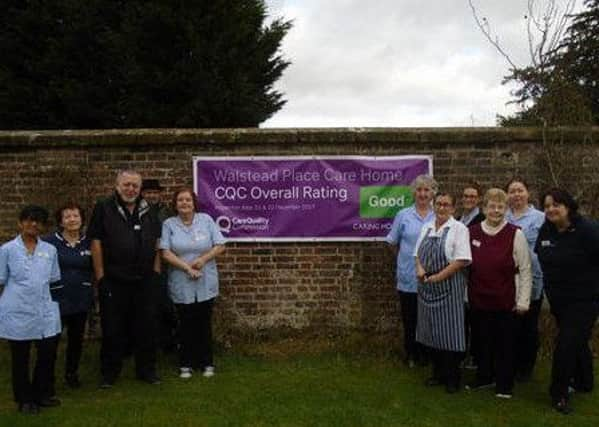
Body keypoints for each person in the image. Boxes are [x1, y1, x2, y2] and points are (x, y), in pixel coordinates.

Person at [87, 170, 162, 387]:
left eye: (135, 186)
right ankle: (109, 374)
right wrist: (100, 277)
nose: (131, 189)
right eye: (127, 185)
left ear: (140, 189)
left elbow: (157, 242)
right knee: (112, 328)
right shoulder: (104, 207)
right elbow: (96, 242)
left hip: (145, 280)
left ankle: (146, 371)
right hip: (114, 279)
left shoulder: (148, 210)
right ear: (117, 186)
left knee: (146, 327)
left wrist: (156, 273)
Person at [535, 188, 599, 414]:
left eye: (556, 204)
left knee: (566, 344)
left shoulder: (588, 230)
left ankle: (559, 393)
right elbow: (541, 253)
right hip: (559, 301)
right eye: (547, 206)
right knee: (577, 341)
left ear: (568, 206)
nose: (551, 209)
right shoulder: (547, 230)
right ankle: (585, 381)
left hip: (584, 301)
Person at [467, 188, 532, 399]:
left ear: (506, 209)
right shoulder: (472, 232)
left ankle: (504, 385)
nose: (496, 210)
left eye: (500, 207)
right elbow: (465, 267)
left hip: (505, 300)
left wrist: (523, 301)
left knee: (505, 345)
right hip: (478, 299)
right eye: (492, 206)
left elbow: (525, 269)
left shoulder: (516, 233)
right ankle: (484, 378)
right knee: (481, 343)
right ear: (484, 208)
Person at [0, 205, 62, 414]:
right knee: (21, 357)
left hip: (44, 309)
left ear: (43, 226)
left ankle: (41, 394)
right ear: (20, 223)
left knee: (46, 353)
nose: (33, 224)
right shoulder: (7, 250)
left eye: (38, 221)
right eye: (28, 219)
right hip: (17, 310)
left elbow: (54, 280)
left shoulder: (50, 250)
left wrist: (55, 307)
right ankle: (24, 398)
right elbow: (1, 279)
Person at [160, 187, 226, 378]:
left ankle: (206, 363)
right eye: (180, 200)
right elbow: (165, 252)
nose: (184, 203)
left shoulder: (206, 220)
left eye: (188, 200)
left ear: (194, 203)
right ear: (175, 204)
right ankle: (185, 363)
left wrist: (203, 260)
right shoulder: (169, 224)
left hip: (205, 278)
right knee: (185, 323)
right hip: (182, 279)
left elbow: (220, 245)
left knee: (203, 322)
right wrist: (187, 268)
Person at [414, 192, 472, 393]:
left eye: (446, 204)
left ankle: (452, 378)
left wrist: (439, 276)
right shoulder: (427, 227)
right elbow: (417, 254)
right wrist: (420, 269)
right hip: (427, 287)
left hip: (449, 286)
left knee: (450, 334)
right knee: (432, 333)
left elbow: (462, 260)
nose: (441, 208)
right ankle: (437, 374)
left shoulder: (459, 229)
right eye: (438, 204)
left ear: (453, 209)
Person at [386, 175, 437, 367]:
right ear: (413, 193)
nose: (423, 194)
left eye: (427, 190)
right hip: (408, 277)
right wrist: (405, 258)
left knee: (430, 320)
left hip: (433, 277)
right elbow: (392, 242)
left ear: (433, 193)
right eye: (419, 190)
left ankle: (428, 354)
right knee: (410, 318)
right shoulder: (403, 215)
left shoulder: (438, 215)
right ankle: (411, 354)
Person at [43, 203, 93, 389]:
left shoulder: (89, 242)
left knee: (76, 340)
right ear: (61, 221)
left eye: (76, 216)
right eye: (67, 217)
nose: (72, 220)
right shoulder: (49, 243)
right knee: (51, 340)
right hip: (56, 299)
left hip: (81, 298)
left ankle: (71, 373)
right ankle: (47, 376)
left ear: (81, 219)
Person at [505, 178, 545, 381]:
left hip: (533, 279)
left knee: (529, 325)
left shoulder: (540, 218)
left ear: (527, 193)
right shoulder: (502, 217)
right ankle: (509, 363)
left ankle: (526, 367)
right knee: (511, 325)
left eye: (520, 190)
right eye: (512, 191)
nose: (516, 195)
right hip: (508, 280)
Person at [141, 178, 177, 352]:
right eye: (148, 193)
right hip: (141, 263)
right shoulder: (137, 211)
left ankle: (167, 341)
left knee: (165, 304)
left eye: (155, 193)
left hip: (164, 264)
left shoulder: (168, 213)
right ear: (143, 194)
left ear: (160, 194)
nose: (152, 196)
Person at [457, 182, 485, 370]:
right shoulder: (459, 219)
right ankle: (463, 355)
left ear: (479, 199)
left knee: (476, 320)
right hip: (460, 276)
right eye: (466, 196)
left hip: (476, 276)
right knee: (463, 319)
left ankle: (476, 358)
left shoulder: (482, 220)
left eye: (473, 196)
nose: (469, 199)